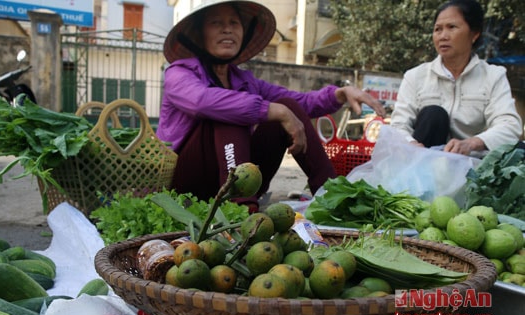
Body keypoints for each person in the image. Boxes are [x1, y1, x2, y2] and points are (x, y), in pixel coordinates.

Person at [157, 0, 386, 212]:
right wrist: (271, 110)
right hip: (190, 182)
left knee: (286, 105)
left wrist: (340, 94)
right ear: (199, 34)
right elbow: (201, 101)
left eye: (234, 23)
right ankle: (243, 213)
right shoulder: (179, 72)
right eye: (216, 23)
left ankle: (333, 199)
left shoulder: (245, 81)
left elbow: (300, 102)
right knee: (232, 110)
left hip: (238, 176)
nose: (227, 29)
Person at [390, 0, 523, 156]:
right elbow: (398, 125)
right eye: (438, 29)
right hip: (423, 163)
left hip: (472, 166)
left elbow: (509, 126)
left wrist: (471, 144)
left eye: (451, 27)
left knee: (519, 149)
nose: (443, 36)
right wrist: (410, 143)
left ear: (474, 34)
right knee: (434, 114)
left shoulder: (493, 76)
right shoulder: (415, 76)